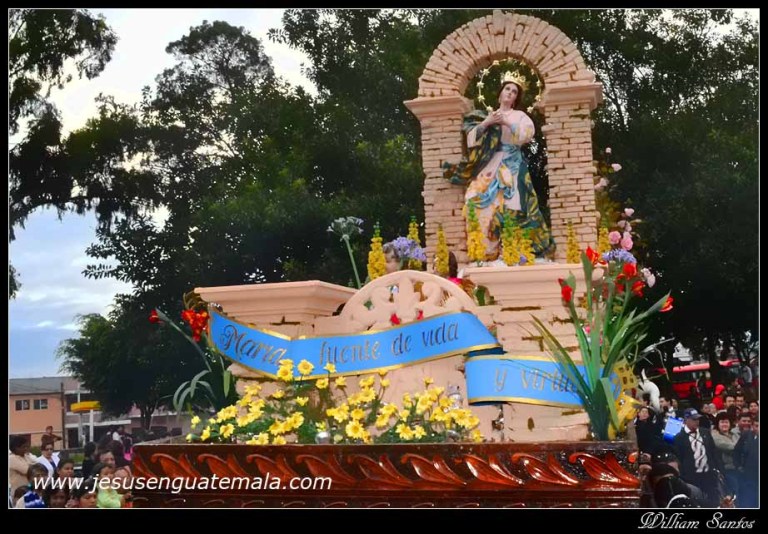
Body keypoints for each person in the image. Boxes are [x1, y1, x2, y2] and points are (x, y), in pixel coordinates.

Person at [443, 72, 553, 261]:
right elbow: (471, 140)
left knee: (513, 205)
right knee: (474, 199)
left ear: (516, 98)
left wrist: (507, 122)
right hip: (491, 164)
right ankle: (486, 250)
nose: (510, 93)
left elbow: (526, 136)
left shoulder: (520, 116)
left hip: (513, 166)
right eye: (507, 89)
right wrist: (488, 122)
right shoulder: (487, 116)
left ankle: (514, 250)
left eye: (514, 91)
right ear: (500, 93)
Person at [673, 408, 726, 507]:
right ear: (686, 420)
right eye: (694, 419)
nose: (697, 421)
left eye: (698, 419)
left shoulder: (705, 432)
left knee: (714, 502)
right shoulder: (679, 438)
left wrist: (720, 469)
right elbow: (679, 458)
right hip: (691, 477)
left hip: (709, 475)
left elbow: (713, 452)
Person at [711, 412, 740, 498]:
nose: (724, 424)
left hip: (739, 468)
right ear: (718, 424)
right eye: (722, 422)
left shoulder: (734, 434)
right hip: (727, 469)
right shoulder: (715, 436)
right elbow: (732, 447)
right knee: (734, 492)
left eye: (726, 422)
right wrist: (740, 446)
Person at [733, 416, 758, 508]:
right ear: (752, 426)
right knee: (747, 501)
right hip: (747, 475)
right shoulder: (746, 435)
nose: (758, 428)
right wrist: (738, 466)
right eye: (756, 426)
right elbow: (736, 451)